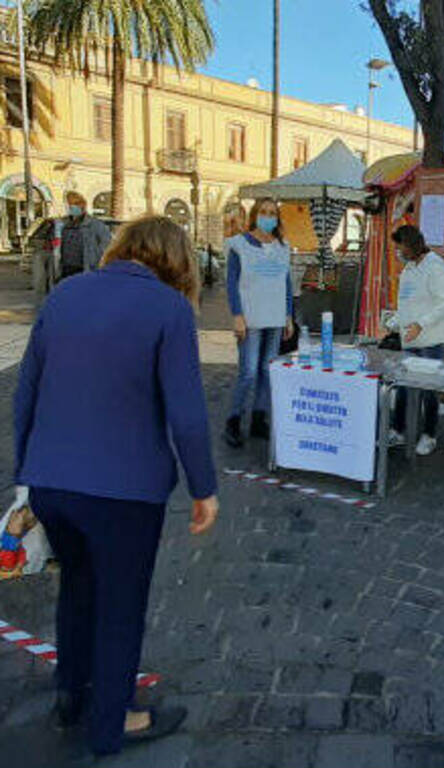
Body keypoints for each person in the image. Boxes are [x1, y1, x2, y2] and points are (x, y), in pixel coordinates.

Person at [13, 216, 219, 757]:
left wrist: (26, 476)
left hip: (53, 481)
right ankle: (112, 722)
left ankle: (70, 695)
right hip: (124, 491)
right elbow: (188, 415)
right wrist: (204, 488)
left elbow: (26, 390)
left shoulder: (65, 294)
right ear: (176, 261)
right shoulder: (169, 309)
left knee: (77, 588)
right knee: (120, 604)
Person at [389, 224, 444, 456]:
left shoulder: (435, 267)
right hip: (411, 338)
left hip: (432, 339)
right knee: (404, 385)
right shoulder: (409, 269)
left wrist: (421, 325)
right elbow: (406, 304)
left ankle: (429, 435)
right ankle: (398, 430)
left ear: (411, 245)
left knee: (429, 389)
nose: (398, 251)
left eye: (400, 246)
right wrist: (392, 322)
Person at [223, 197, 295, 448]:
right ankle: (233, 420)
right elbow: (231, 282)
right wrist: (237, 316)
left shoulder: (282, 246)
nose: (268, 216)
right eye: (264, 212)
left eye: (272, 213)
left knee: (267, 370)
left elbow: (286, 283)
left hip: (275, 318)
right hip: (250, 318)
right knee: (249, 372)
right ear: (255, 215)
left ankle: (258, 419)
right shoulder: (239, 244)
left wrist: (288, 316)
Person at [58, 191, 112, 282]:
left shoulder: (95, 225)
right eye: (69, 205)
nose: (70, 208)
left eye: (73, 205)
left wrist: (95, 263)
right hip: (67, 270)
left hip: (85, 269)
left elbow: (106, 246)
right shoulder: (66, 225)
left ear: (81, 206)